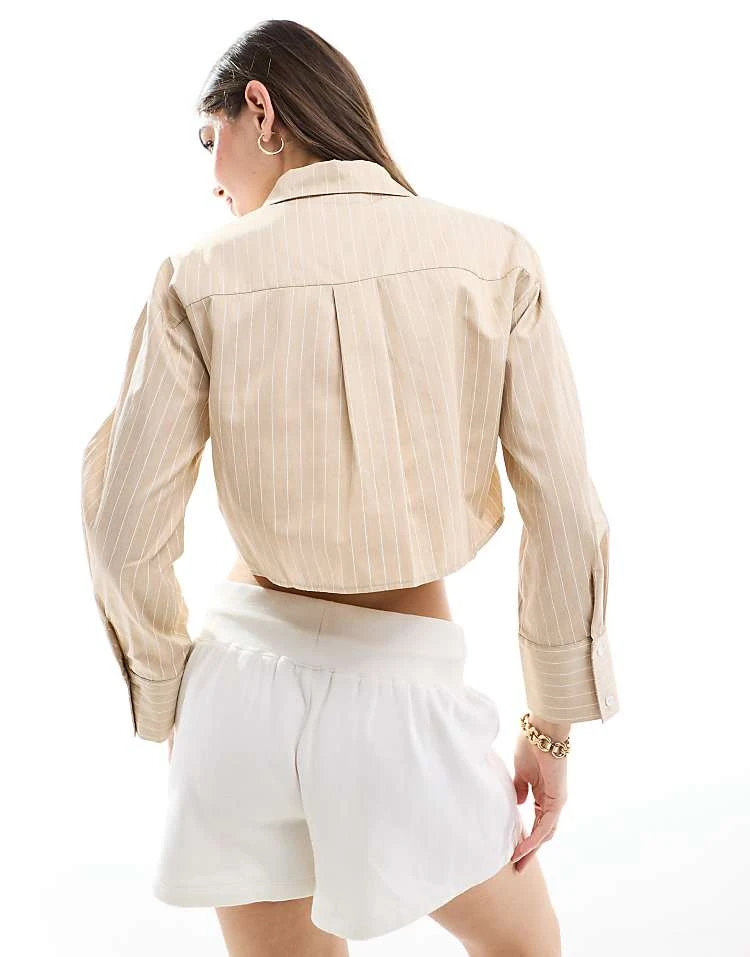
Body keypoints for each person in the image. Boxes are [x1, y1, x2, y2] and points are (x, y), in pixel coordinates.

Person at [80, 17, 620, 957]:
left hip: (234, 691)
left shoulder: (197, 276)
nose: (212, 178)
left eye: (211, 140)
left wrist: (171, 701)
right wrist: (551, 726)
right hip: (400, 700)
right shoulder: (493, 258)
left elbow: (123, 530)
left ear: (261, 110)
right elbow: (565, 511)